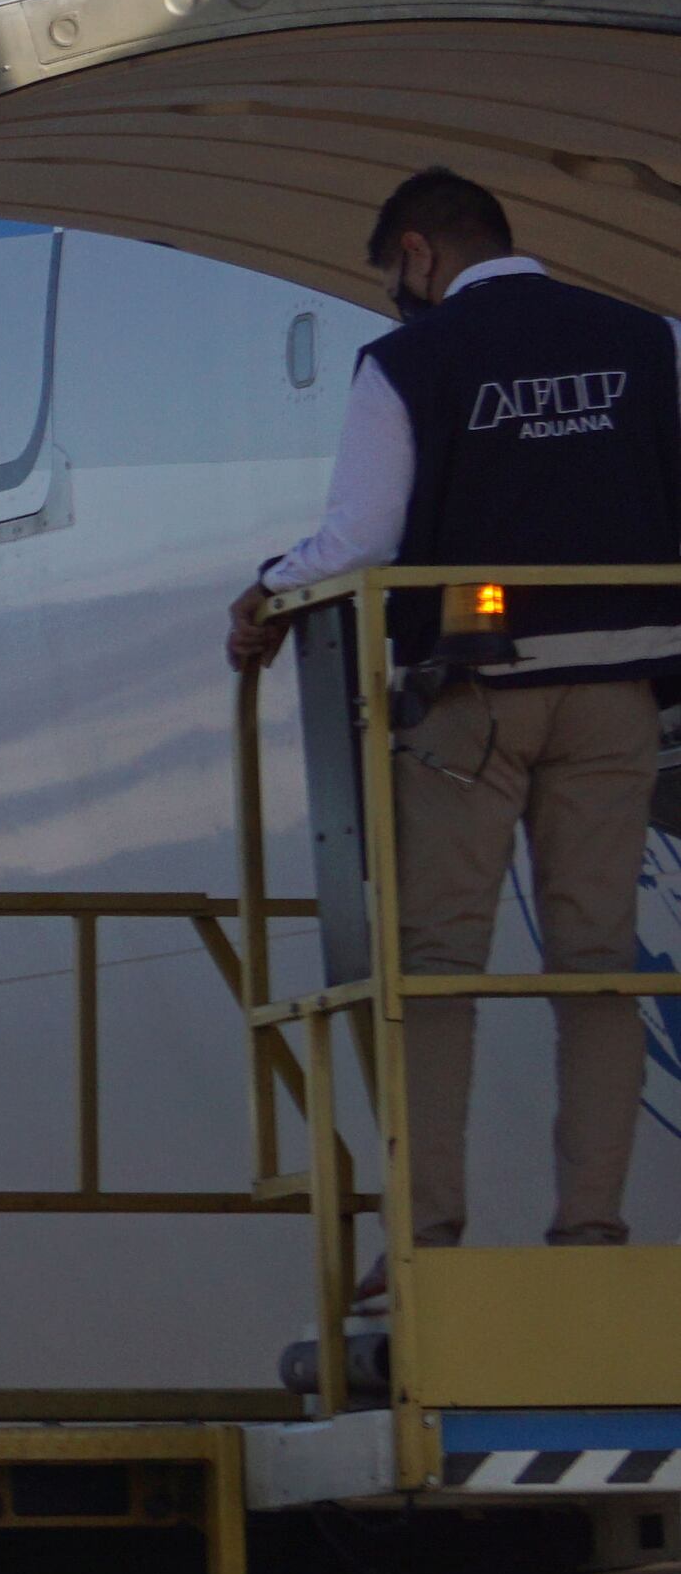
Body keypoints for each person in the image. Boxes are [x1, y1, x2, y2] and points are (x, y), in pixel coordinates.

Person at [229, 165, 681, 1264]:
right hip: (619, 695)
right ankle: (591, 1227)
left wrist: (265, 592)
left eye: (395, 276)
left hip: (472, 701)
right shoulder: (641, 341)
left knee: (432, 966)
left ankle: (426, 1233)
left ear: (419, 255)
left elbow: (360, 541)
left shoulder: (408, 362)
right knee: (599, 966)